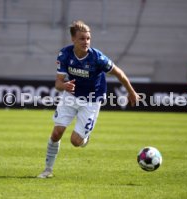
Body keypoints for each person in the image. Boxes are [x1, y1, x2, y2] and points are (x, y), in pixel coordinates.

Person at [37, 20, 140, 178]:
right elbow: (58, 82)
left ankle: (84, 138)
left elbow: (119, 73)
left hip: (92, 100)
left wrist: (131, 92)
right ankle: (47, 170)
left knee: (75, 141)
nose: (86, 42)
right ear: (73, 40)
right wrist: (64, 86)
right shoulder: (64, 54)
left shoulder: (97, 58)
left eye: (88, 38)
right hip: (71, 96)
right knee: (57, 133)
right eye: (82, 39)